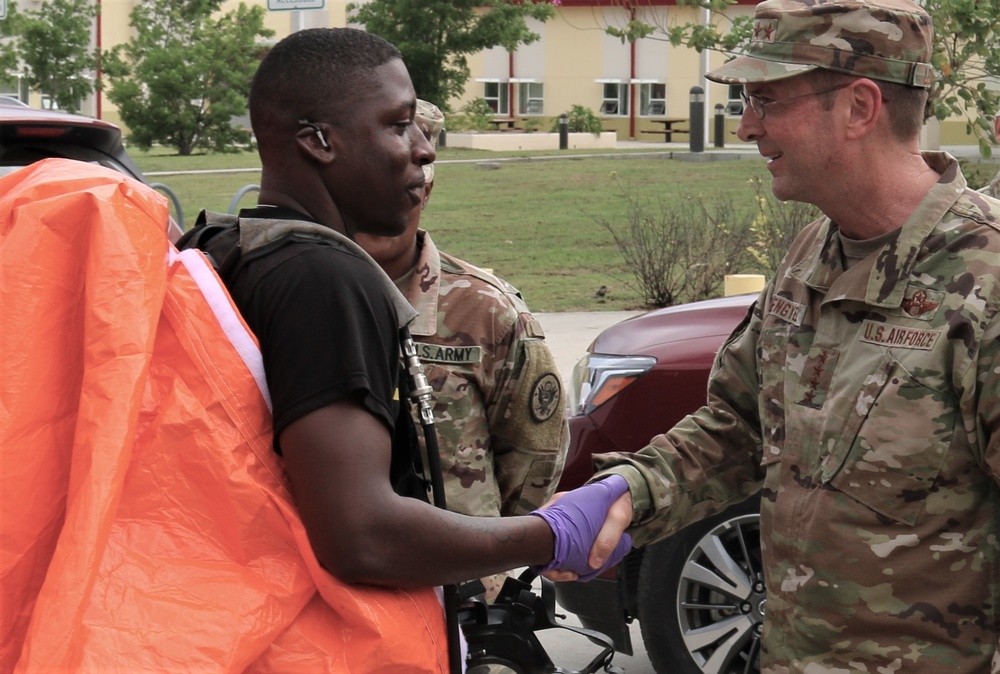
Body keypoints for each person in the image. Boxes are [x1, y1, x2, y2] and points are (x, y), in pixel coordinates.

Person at [178, 25, 632, 664]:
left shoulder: (221, 251)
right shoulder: (327, 276)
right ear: (318, 141)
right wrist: (545, 536)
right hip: (327, 642)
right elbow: (360, 537)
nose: (423, 151)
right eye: (398, 125)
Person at [580, 0, 1000, 671]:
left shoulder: (986, 280)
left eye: (766, 99)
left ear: (859, 108)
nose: (747, 126)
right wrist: (626, 495)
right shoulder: (813, 252)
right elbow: (741, 423)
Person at [355, 100, 569, 602]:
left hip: (458, 594)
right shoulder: (293, 294)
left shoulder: (485, 311)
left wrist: (485, 554)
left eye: (410, 174)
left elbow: (533, 463)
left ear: (425, 188)